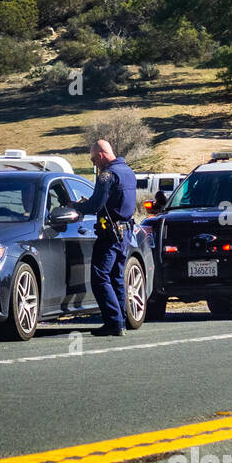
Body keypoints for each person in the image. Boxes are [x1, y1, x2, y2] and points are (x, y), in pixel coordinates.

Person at [71, 139, 137, 336]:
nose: (93, 164)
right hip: (125, 231)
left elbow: (95, 206)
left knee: (100, 277)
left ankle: (113, 322)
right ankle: (121, 320)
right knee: (116, 276)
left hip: (110, 234)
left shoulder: (106, 175)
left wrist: (76, 206)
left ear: (101, 155)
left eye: (93, 159)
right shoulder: (128, 172)